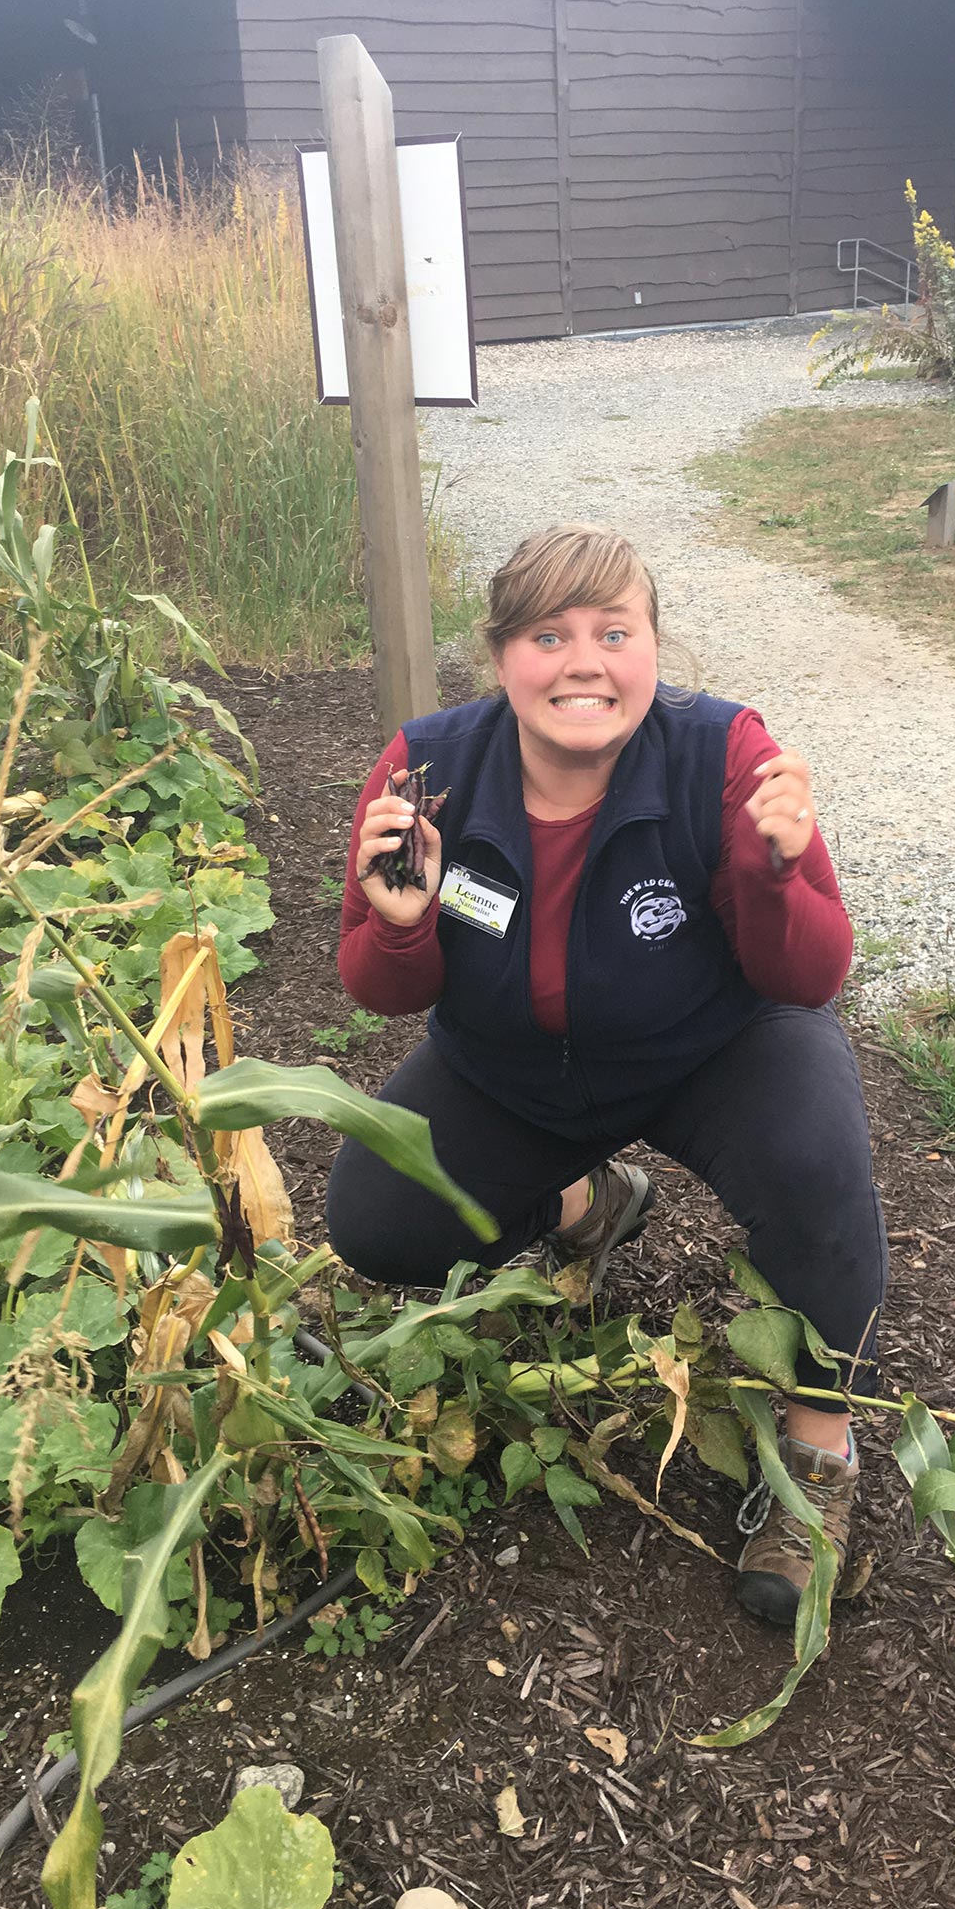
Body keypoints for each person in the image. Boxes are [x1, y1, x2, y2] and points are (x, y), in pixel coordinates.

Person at [325, 523, 888, 1628]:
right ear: (500, 658)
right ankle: (589, 1200)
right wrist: (398, 924)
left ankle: (821, 1446)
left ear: (651, 648)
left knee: (815, 1165)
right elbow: (376, 981)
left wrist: (774, 871)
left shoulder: (725, 753)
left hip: (712, 1048)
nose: (584, 660)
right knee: (378, 1214)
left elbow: (811, 971)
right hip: (514, 1070)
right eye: (550, 633)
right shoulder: (425, 769)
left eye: (612, 631)